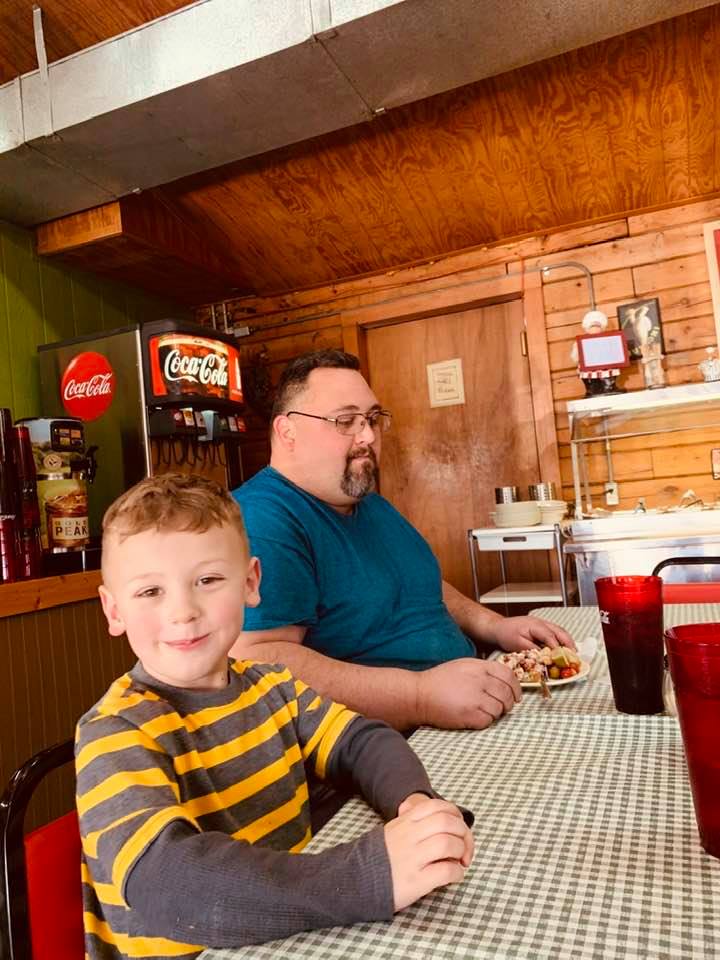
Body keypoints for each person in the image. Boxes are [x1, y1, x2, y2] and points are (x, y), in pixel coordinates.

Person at [76, 473, 474, 960]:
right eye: (150, 592)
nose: (182, 611)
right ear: (113, 611)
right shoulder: (114, 731)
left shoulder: (274, 688)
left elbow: (360, 740)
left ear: (250, 583)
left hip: (295, 936)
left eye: (207, 580)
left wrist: (412, 803)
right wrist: (367, 875)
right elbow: (168, 884)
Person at [232, 349, 574, 732]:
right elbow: (260, 660)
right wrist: (420, 695)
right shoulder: (264, 517)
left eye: (373, 419)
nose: (368, 436)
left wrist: (496, 627)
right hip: (395, 740)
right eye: (346, 421)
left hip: (477, 690)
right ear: (287, 431)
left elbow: (420, 584)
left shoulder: (370, 504)